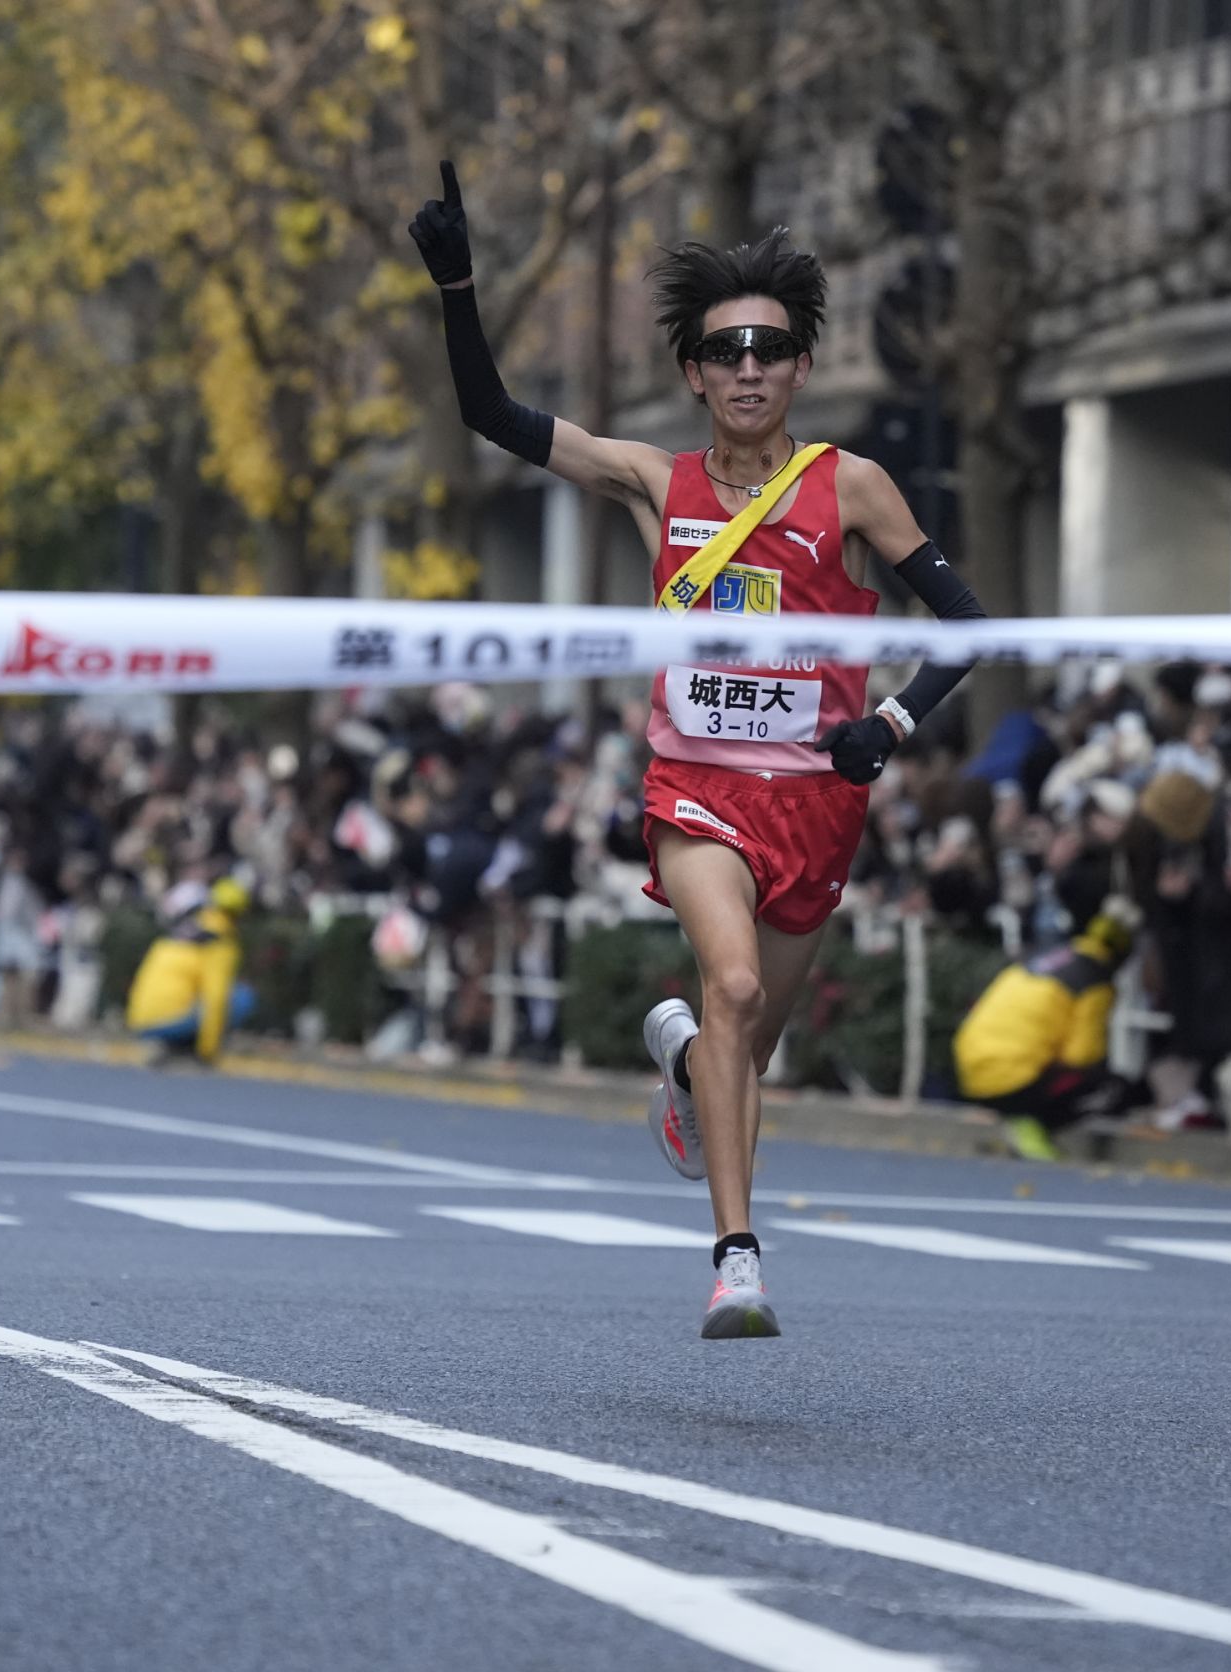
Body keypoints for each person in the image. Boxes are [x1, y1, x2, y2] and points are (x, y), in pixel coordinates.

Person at [410, 162, 987, 1338]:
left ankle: (684, 1070)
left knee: (748, 1042)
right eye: (725, 351)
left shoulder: (856, 489)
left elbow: (970, 630)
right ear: (694, 372)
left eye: (770, 348)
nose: (748, 368)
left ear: (801, 367)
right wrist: (461, 288)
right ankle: (738, 1259)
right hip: (699, 793)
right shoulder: (653, 482)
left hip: (818, 802)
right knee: (726, 985)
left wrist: (892, 722)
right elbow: (493, 417)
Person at [953, 907, 1140, 1161]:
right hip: (1013, 1077)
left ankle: (1018, 1123)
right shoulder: (1094, 977)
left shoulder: (1048, 954)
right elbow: (1082, 1055)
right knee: (1114, 1087)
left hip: (970, 1067)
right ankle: (1030, 1127)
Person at [125, 878, 253, 1066]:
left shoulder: (185, 928)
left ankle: (170, 1043)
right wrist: (208, 1052)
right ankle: (188, 1048)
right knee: (242, 997)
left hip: (138, 1019)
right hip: (168, 1023)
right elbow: (215, 998)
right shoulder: (221, 942)